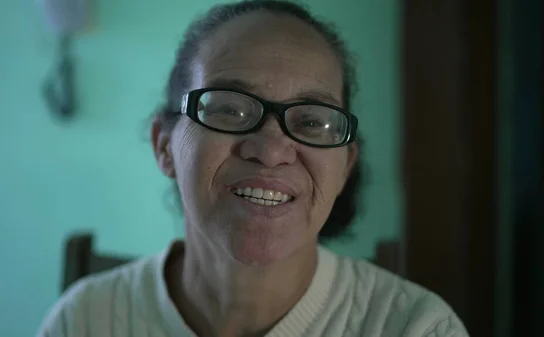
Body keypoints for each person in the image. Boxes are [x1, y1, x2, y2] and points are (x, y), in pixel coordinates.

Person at [37, 1, 469, 336]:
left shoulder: (416, 327)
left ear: (344, 166)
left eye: (313, 121)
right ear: (164, 145)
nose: (271, 150)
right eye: (228, 109)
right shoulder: (85, 321)